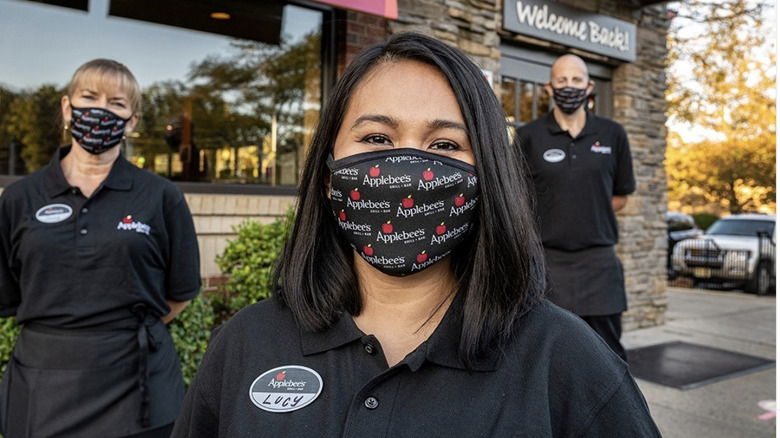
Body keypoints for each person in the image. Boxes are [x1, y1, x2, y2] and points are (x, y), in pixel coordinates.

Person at [172, 33, 659, 437]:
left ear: (486, 176)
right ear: (327, 174)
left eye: (445, 144)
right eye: (377, 139)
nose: (405, 167)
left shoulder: (567, 363)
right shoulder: (245, 345)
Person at [0, 59, 201, 438]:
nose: (101, 110)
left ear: (132, 121)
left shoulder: (162, 197)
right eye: (89, 97)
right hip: (40, 387)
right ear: (66, 107)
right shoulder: (19, 199)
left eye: (117, 103)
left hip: (139, 387)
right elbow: (9, 293)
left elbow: (180, 292)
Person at [516, 54, 636, 361]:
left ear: (589, 86)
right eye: (562, 80)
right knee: (548, 355)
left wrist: (585, 210)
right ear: (549, 87)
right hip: (546, 264)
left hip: (599, 263)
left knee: (608, 356)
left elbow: (622, 196)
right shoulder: (528, 136)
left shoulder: (613, 135)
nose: (569, 86)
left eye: (576, 80)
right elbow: (515, 197)